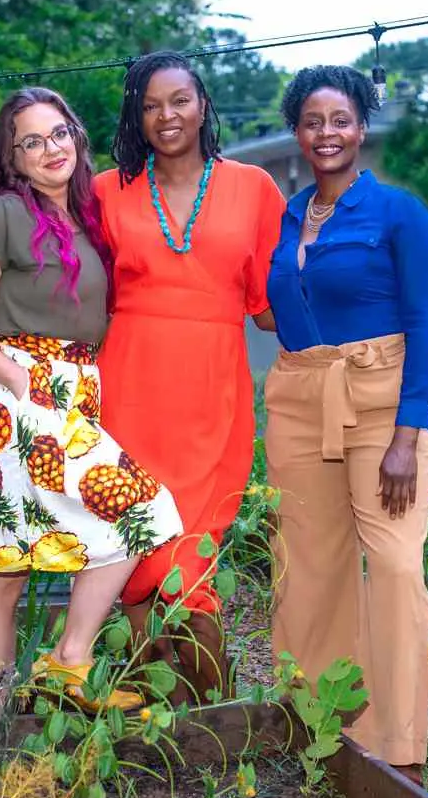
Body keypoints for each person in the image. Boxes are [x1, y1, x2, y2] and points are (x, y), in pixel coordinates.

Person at [0, 86, 184, 718]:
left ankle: (64, 666)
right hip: (0, 401)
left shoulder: (85, 219)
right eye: (31, 141)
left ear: (76, 138)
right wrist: (13, 375)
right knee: (5, 577)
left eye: (58, 133)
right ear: (13, 157)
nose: (49, 148)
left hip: (61, 394)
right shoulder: (4, 214)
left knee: (123, 521)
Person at [262, 65, 428, 785]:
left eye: (340, 120)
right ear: (298, 132)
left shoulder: (400, 215)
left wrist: (408, 433)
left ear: (361, 128)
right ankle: (317, 726)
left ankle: (398, 745)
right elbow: (285, 301)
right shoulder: (290, 213)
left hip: (380, 401)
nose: (326, 133)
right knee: (308, 570)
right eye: (312, 121)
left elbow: (426, 325)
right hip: (301, 398)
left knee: (396, 565)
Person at [94, 51, 286, 704]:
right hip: (126, 388)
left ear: (203, 103)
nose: (165, 115)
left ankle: (215, 709)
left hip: (211, 391)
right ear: (136, 116)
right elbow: (64, 279)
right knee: (134, 552)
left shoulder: (255, 187)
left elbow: (271, 305)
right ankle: (157, 707)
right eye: (150, 105)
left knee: (190, 558)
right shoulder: (103, 190)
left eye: (178, 100)